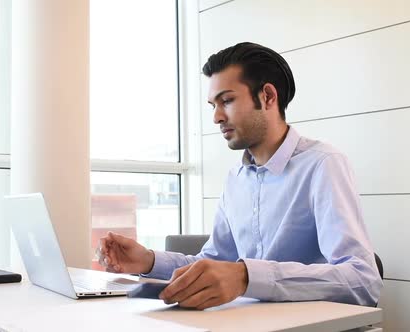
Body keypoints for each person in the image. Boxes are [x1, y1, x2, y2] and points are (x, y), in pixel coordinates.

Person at [98, 42, 383, 310]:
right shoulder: (236, 178)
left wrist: (247, 276)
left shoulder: (323, 165)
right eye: (213, 105)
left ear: (268, 96)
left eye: (227, 101)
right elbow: (212, 262)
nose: (216, 117)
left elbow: (363, 280)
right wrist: (148, 260)